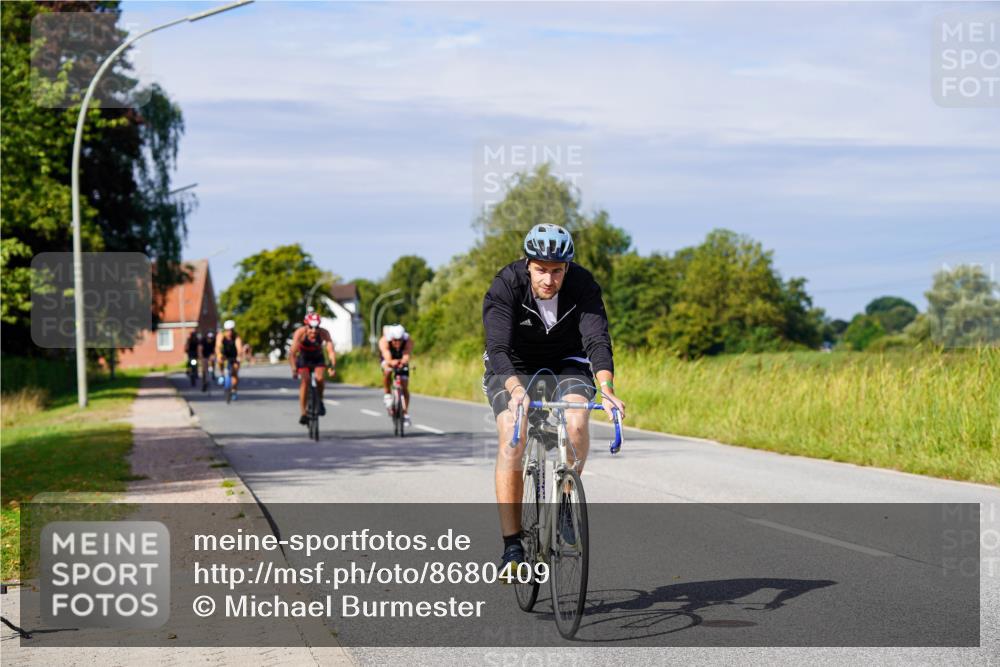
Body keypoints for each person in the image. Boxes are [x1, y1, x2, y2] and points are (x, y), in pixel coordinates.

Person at [482, 223, 626, 574]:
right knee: (511, 437)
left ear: (567, 269)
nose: (549, 279)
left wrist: (606, 389)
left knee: (576, 419)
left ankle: (564, 501)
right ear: (527, 264)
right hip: (513, 364)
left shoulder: (582, 285)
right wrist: (516, 391)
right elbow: (498, 347)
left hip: (567, 361)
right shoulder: (507, 284)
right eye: (541, 270)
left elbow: (596, 341)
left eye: (557, 271)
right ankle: (512, 545)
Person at [288, 312, 336, 425]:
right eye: (310, 327)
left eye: (316, 327)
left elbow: (331, 351)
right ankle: (303, 413)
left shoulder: (324, 333)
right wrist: (294, 369)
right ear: (306, 326)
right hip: (304, 358)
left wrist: (332, 367)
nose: (314, 331)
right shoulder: (300, 333)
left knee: (319, 378)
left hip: (317, 357)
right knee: (305, 381)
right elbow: (292, 354)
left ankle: (320, 400)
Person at [378, 324, 413, 427]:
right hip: (388, 357)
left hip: (401, 357)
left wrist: (403, 362)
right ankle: (387, 394)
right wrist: (391, 362)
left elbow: (406, 354)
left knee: (405, 386)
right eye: (395, 340)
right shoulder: (384, 341)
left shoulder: (408, 340)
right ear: (391, 338)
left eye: (400, 340)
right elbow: (387, 356)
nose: (397, 343)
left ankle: (405, 413)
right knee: (387, 371)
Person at [215, 320, 243, 399]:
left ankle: (234, 389)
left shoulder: (236, 337)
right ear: (225, 330)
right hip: (225, 354)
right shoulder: (221, 335)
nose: (229, 332)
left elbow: (239, 348)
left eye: (231, 330)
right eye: (227, 330)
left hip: (234, 356)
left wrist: (239, 356)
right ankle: (222, 374)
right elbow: (218, 346)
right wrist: (219, 354)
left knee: (235, 372)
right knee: (219, 359)